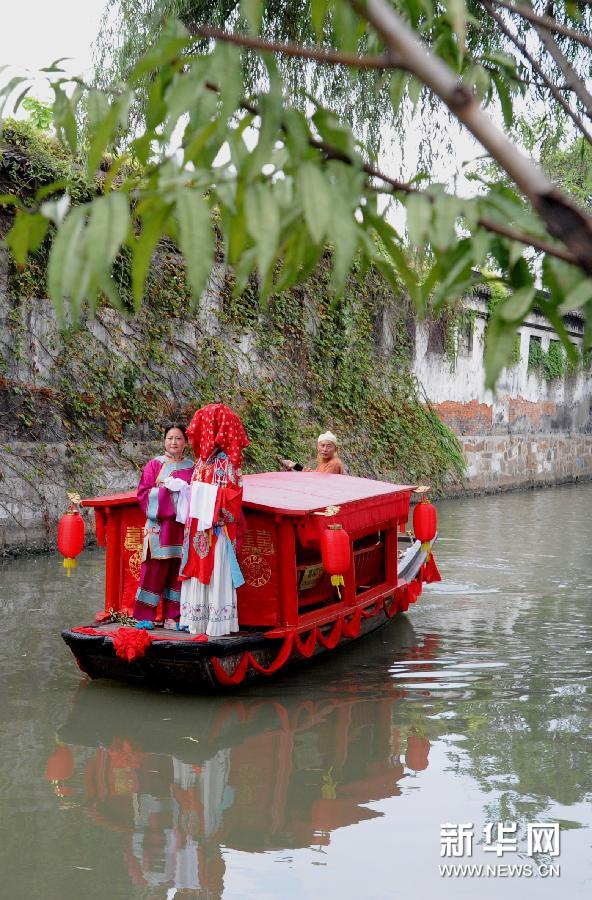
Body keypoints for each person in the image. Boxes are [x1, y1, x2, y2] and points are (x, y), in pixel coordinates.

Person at [177, 403, 249, 637]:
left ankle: (218, 621)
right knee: (197, 568)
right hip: (198, 526)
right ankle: (196, 619)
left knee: (216, 568)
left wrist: (205, 497)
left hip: (216, 528)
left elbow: (233, 498)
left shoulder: (227, 463)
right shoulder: (202, 462)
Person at [133, 424, 194, 628]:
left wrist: (186, 492)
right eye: (170, 438)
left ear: (185, 442)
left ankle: (173, 617)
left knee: (178, 572)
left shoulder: (192, 467)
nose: (174, 442)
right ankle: (144, 616)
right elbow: (143, 494)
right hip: (159, 527)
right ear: (164, 441)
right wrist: (166, 492)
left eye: (178, 438)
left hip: (181, 528)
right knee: (154, 571)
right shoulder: (154, 465)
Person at [280, 430, 345, 475]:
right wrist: (294, 466)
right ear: (317, 447)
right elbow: (315, 474)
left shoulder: (334, 463)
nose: (325, 449)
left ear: (336, 449)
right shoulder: (324, 461)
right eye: (322, 446)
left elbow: (321, 482)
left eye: (329, 446)